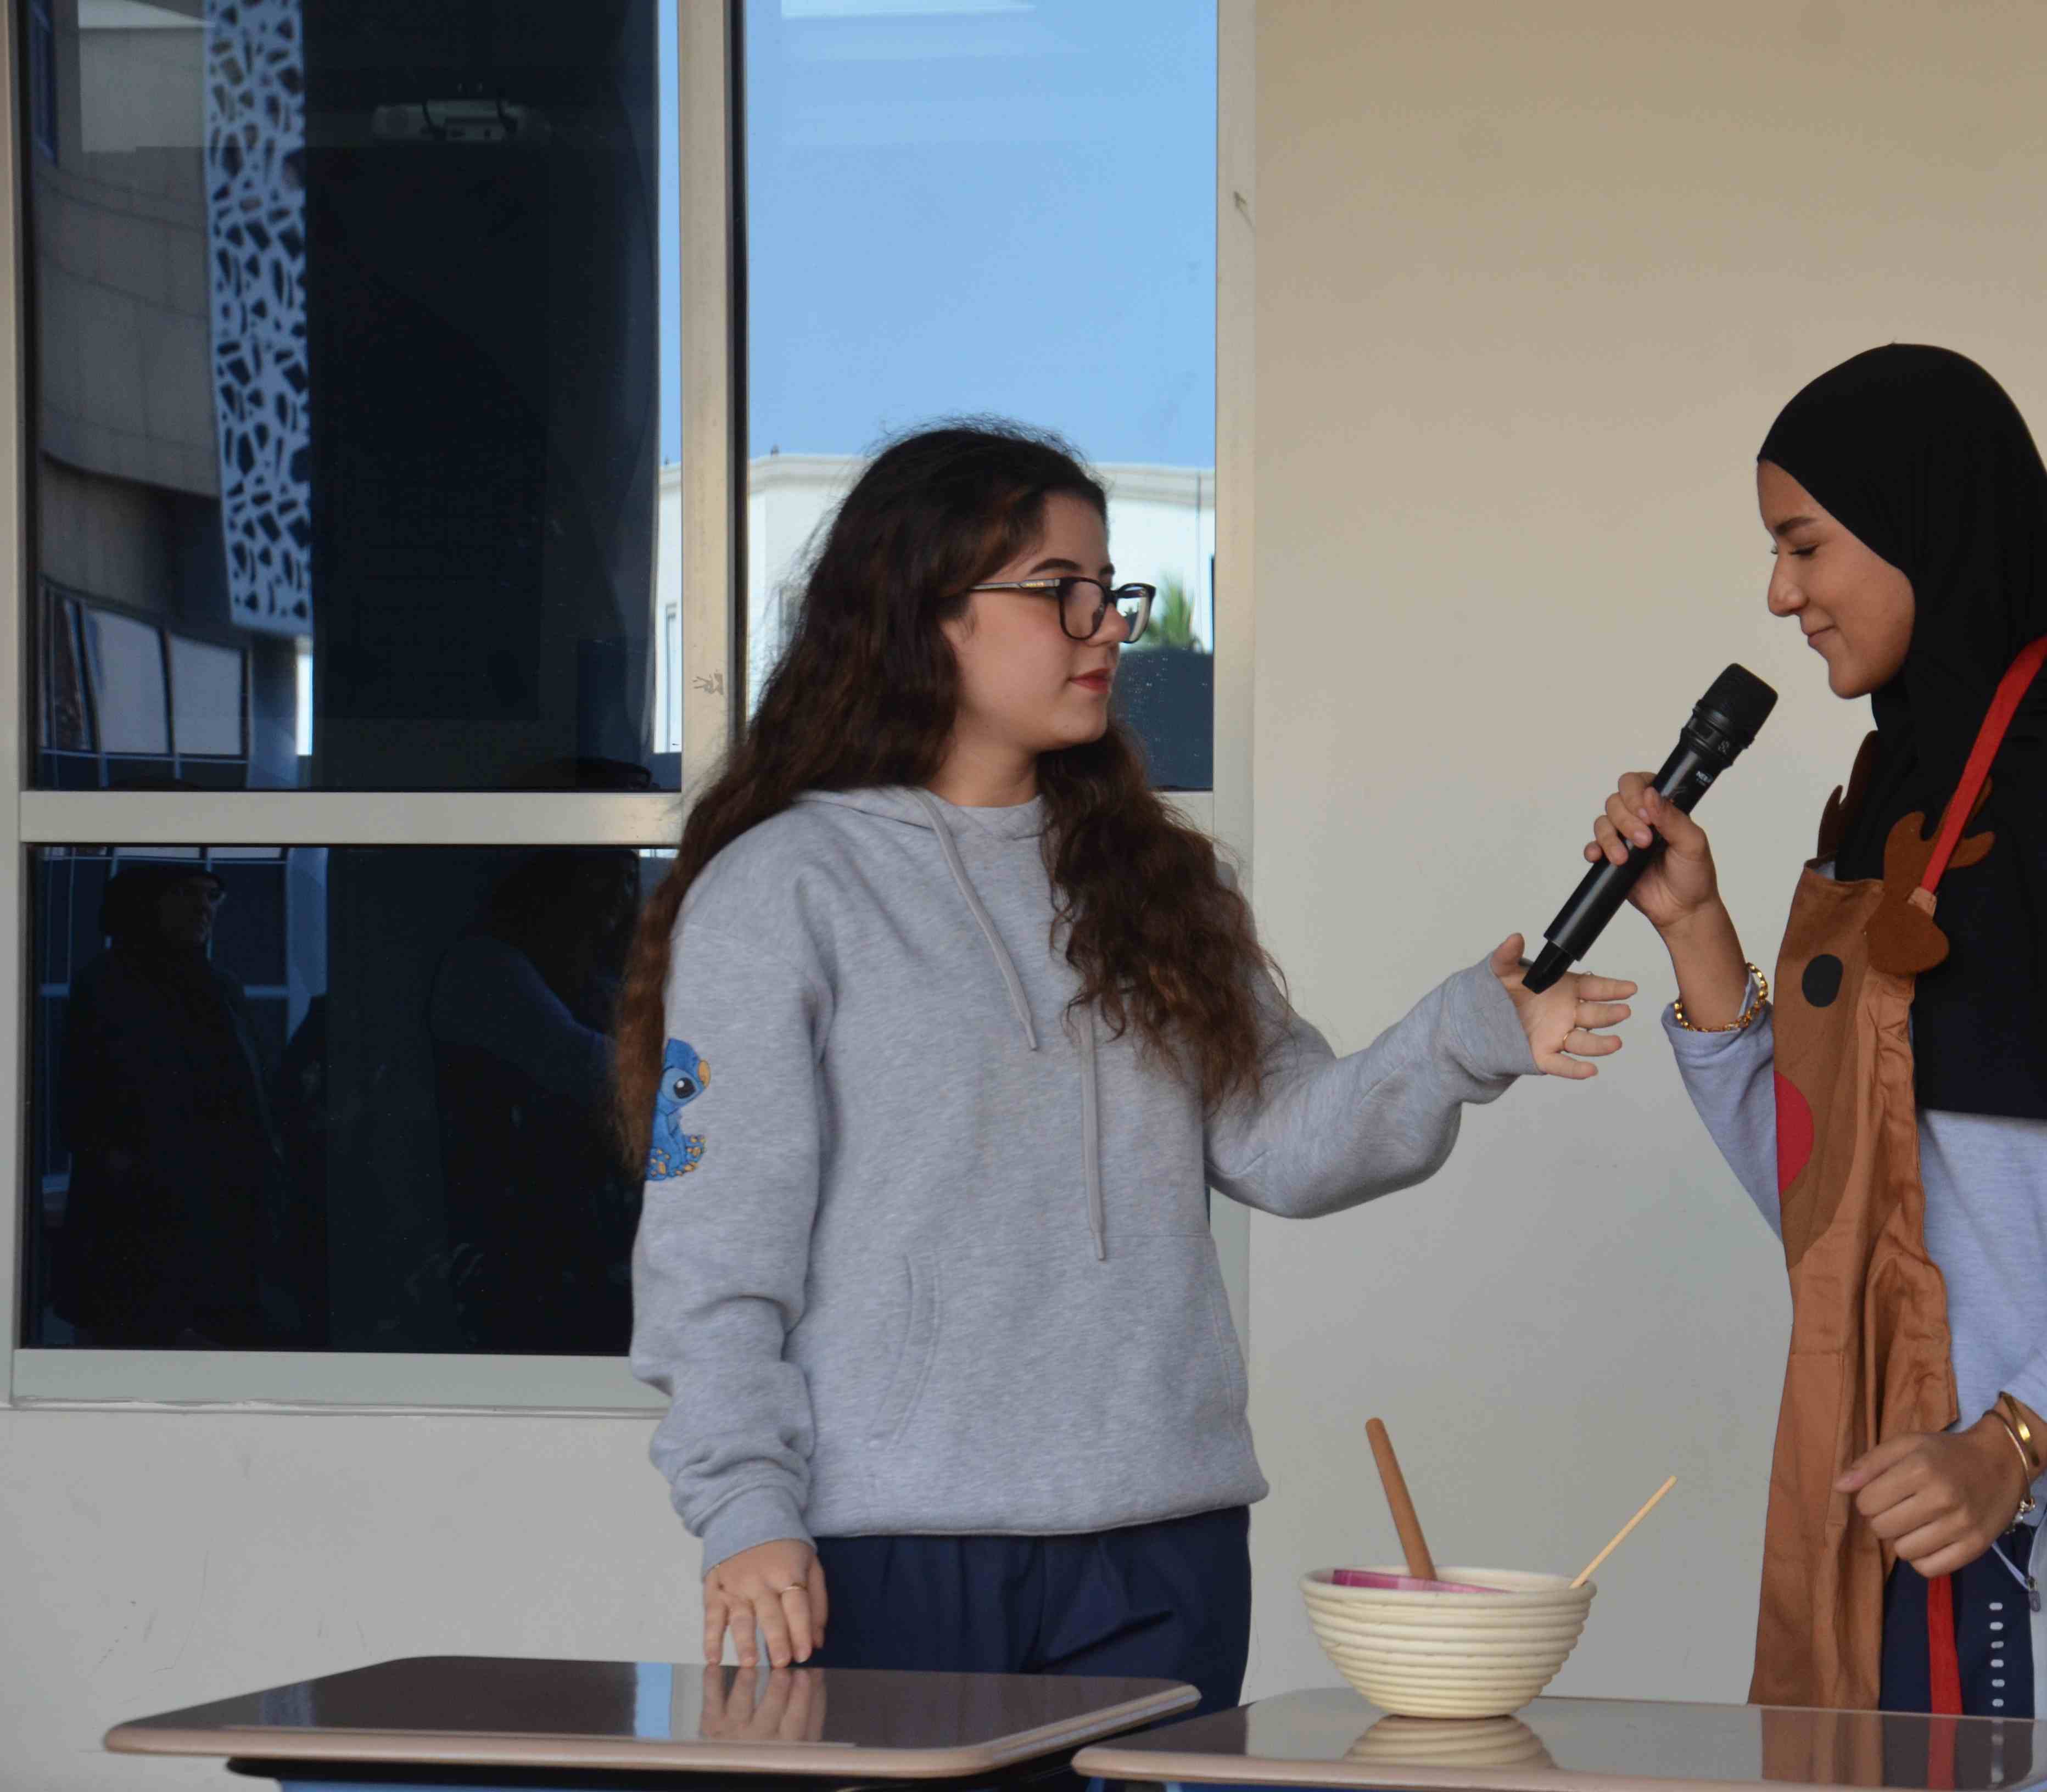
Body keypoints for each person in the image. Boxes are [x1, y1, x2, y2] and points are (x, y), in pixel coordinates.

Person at [623, 421, 1633, 1710]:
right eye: (1062, 591)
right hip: (887, 1544)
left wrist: (1465, 1035)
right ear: (925, 611)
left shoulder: (1156, 882)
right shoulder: (787, 889)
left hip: (1167, 1539)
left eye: (1112, 591)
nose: (1107, 626)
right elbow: (714, 1254)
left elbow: (1281, 1142)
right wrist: (745, 1508)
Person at [1578, 347, 2047, 1787]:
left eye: (1805, 545)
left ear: (1924, 524)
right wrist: (1697, 932)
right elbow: (1833, 1209)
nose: (1782, 594)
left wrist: (2013, 1441)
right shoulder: (1896, 784)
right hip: (1915, 1495)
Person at [58, 862, 293, 1347]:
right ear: (148, 902)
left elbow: (248, 1088)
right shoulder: (108, 984)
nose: (204, 908)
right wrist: (122, 1163)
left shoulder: (220, 986)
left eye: (211, 896)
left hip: (223, 1204)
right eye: (187, 893)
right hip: (141, 1209)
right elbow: (85, 1095)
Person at [431, 848, 644, 1353]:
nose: (618, 893)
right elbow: (581, 1064)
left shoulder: (600, 977)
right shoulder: (485, 968)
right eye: (601, 872)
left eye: (628, 877)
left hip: (590, 1244)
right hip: (515, 1245)